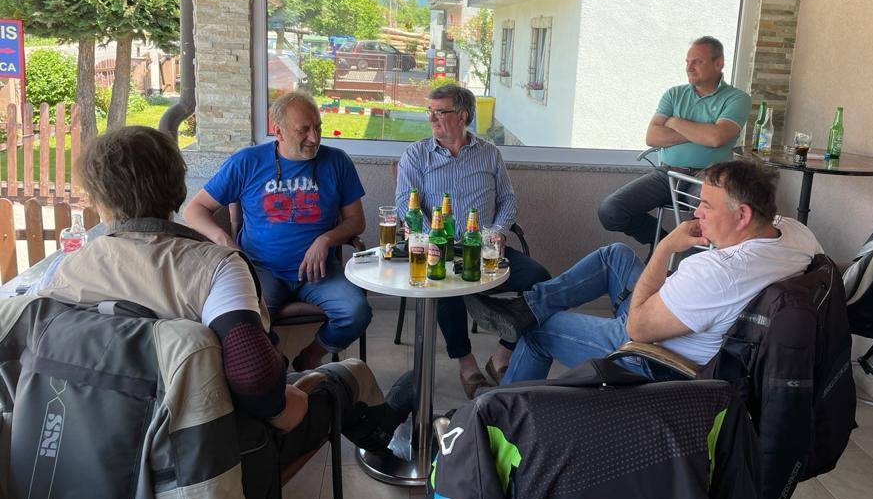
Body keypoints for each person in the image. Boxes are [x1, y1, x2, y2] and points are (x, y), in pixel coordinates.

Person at [0, 126, 410, 499]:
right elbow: (255, 379)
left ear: (98, 200)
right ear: (178, 189)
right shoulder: (214, 268)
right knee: (345, 376)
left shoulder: (62, 271)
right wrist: (283, 402)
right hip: (209, 457)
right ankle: (384, 428)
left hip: (91, 455)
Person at [470, 160, 822, 384]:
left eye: (706, 205)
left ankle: (499, 420)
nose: (696, 213)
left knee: (540, 330)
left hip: (656, 354)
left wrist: (667, 246)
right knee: (615, 255)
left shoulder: (717, 272)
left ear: (743, 215)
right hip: (681, 318)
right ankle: (525, 308)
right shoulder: (796, 234)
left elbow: (636, 328)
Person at [184, 91, 371, 372]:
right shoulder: (247, 162)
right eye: (303, 130)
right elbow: (194, 210)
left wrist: (326, 239)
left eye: (318, 127)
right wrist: (226, 241)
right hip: (262, 270)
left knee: (356, 312)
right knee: (242, 325)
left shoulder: (337, 161)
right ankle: (275, 363)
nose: (314, 138)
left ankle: (309, 357)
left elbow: (356, 222)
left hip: (318, 273)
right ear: (278, 131)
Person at [396, 84, 550, 397]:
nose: (432, 118)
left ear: (462, 115)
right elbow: (404, 204)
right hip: (441, 249)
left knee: (541, 280)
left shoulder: (489, 153)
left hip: (484, 249)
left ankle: (503, 354)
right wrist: (432, 238)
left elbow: (508, 199)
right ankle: (467, 365)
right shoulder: (417, 154)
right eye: (430, 112)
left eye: (439, 112)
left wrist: (499, 230)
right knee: (443, 285)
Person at [598, 35, 751, 248]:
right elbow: (652, 137)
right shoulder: (674, 94)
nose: (689, 67)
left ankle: (688, 265)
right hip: (666, 174)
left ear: (719, 63)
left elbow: (716, 138)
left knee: (709, 219)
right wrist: (702, 132)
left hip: (708, 177)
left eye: (697, 61)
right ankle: (663, 245)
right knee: (610, 211)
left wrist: (674, 122)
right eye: (687, 62)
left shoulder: (737, 98)